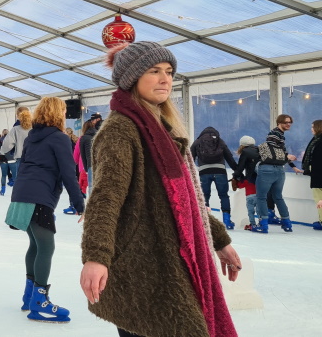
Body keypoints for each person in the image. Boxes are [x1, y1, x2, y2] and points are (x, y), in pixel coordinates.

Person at [80, 41, 240, 336]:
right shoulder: (121, 130)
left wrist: (219, 239)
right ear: (132, 79)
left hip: (171, 257)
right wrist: (95, 256)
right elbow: (105, 198)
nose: (166, 78)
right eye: (154, 71)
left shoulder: (161, 129)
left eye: (169, 71)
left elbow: (186, 199)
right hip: (141, 265)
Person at [4, 97, 84, 324]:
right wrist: (79, 204)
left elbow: (26, 163)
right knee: (47, 246)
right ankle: (39, 301)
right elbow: (69, 173)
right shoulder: (59, 138)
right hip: (38, 197)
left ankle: (29, 295)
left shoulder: (31, 137)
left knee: (35, 244)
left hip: (21, 194)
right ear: (58, 113)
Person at [252, 114, 304, 233]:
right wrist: (287, 158)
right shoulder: (274, 134)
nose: (288, 124)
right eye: (286, 122)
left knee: (261, 197)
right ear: (279, 122)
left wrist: (292, 166)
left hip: (268, 170)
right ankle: (287, 224)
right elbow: (275, 152)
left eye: (290, 122)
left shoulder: (279, 135)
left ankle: (263, 224)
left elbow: (277, 153)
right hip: (279, 170)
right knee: (278, 197)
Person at [190, 127, 240, 229]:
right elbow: (229, 157)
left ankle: (205, 221)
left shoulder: (197, 142)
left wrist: (189, 174)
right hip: (220, 171)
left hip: (204, 172)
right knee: (224, 196)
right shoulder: (220, 142)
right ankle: (227, 221)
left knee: (204, 196)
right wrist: (237, 171)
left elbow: (190, 159)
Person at [232, 136, 261, 231]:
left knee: (251, 209)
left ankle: (252, 224)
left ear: (242, 145)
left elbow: (240, 168)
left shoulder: (245, 152)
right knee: (260, 206)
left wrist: (235, 177)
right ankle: (262, 223)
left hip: (250, 181)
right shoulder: (260, 150)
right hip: (262, 182)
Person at [0, 107, 31, 186]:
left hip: (21, 157)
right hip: (35, 158)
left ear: (17, 115)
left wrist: (7, 152)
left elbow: (6, 145)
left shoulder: (16, 129)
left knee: (20, 182)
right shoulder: (36, 127)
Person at [305, 120, 322, 230]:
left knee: (319, 198)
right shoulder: (316, 140)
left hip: (318, 173)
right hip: (316, 172)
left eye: (313, 127)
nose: (311, 129)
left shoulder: (318, 141)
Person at [79, 116, 99, 196]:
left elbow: (83, 155)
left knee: (91, 187)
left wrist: (86, 169)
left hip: (90, 164)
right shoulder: (98, 135)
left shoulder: (84, 138)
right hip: (99, 163)